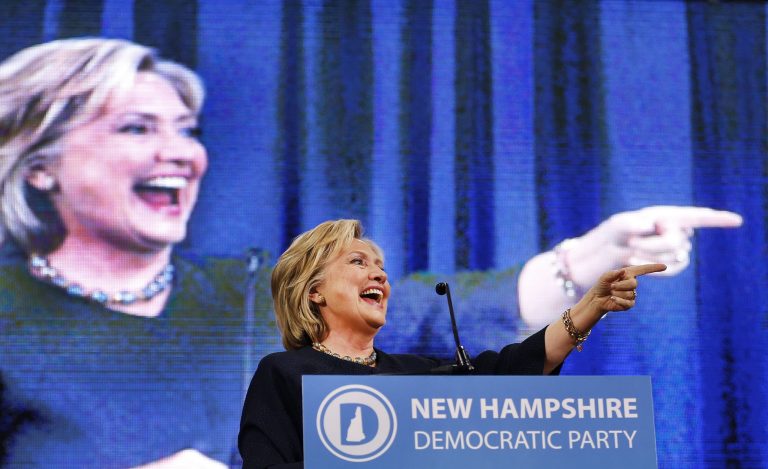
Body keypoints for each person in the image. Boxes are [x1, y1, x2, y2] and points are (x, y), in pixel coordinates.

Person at [237, 219, 666, 468]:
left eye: (382, 267)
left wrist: (591, 306)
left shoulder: (416, 374)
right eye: (358, 262)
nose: (380, 276)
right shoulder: (284, 373)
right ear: (314, 291)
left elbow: (511, 371)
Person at [0, 38, 245, 468]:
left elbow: (379, 450)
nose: (180, 153)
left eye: (187, 131)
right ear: (41, 167)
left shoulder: (269, 299)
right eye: (136, 128)